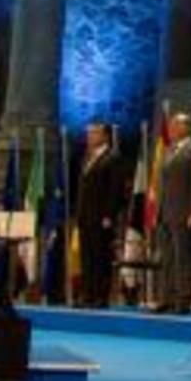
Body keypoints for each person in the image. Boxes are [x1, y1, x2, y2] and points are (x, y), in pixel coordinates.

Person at [155, 112, 191, 314]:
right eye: (170, 126)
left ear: (185, 127)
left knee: (182, 258)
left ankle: (183, 300)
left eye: (175, 125)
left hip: (183, 212)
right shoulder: (168, 150)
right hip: (165, 213)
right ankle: (166, 298)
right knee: (167, 258)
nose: (171, 129)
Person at [73, 123, 127, 307]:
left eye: (94, 133)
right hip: (85, 217)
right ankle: (88, 294)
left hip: (101, 218)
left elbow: (115, 189)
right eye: (88, 133)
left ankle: (100, 297)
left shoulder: (113, 158)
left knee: (101, 257)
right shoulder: (87, 158)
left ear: (105, 136)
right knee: (87, 257)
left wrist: (109, 216)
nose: (90, 137)